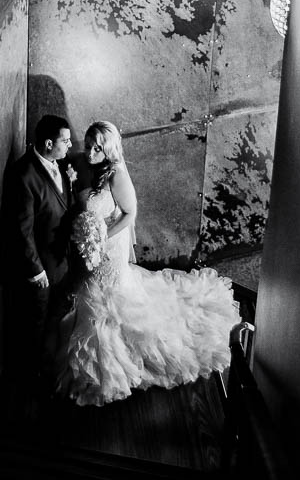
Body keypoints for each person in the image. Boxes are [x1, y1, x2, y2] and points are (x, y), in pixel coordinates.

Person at [53, 119, 239, 406]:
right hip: (94, 252)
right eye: (88, 146)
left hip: (109, 251)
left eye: (96, 148)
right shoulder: (86, 167)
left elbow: (129, 214)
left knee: (115, 303)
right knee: (88, 298)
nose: (89, 153)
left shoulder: (117, 174)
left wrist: (102, 238)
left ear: (109, 149)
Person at [2, 114, 77, 388]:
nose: (70, 146)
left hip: (62, 263)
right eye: (65, 141)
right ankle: (31, 384)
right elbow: (21, 231)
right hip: (41, 271)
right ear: (48, 143)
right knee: (35, 326)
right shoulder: (24, 175)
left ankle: (50, 372)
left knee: (55, 323)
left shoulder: (62, 165)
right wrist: (36, 271)